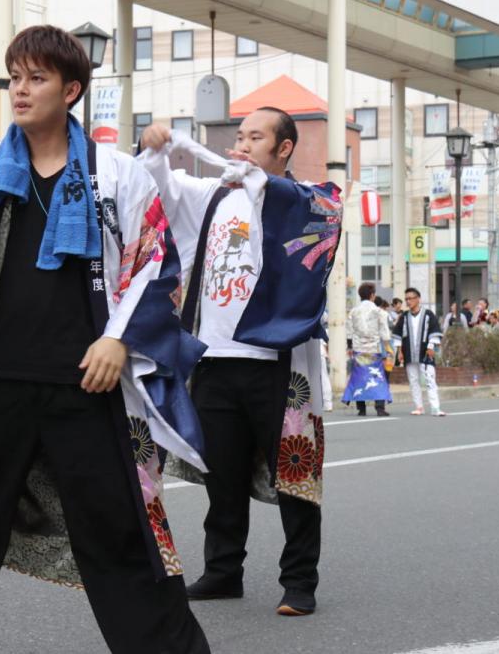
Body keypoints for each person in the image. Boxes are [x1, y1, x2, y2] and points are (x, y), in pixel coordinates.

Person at [0, 29, 211, 653]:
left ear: (72, 91)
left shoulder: (115, 173)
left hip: (88, 383)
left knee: (119, 534)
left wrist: (118, 341)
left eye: (37, 78)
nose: (22, 90)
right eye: (17, 76)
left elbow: (155, 265)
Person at [138, 107, 337, 616]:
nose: (243, 145)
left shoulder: (307, 201)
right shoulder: (214, 197)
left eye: (256, 137)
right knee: (221, 476)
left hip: (279, 361)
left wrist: (260, 183)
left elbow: (314, 211)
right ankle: (224, 570)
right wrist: (158, 149)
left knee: (295, 476)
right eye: (240, 136)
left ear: (284, 148)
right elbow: (164, 187)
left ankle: (299, 582)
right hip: (214, 356)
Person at [393, 287, 446, 417]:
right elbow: (398, 335)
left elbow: (434, 331)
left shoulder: (428, 314)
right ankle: (419, 406)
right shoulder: (404, 316)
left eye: (410, 298)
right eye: (406, 299)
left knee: (430, 379)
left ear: (418, 299)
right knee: (413, 380)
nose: (408, 301)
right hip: (409, 352)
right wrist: (399, 351)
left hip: (425, 352)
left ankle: (435, 407)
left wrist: (431, 347)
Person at [345, 283, 392, 417]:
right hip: (374, 348)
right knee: (377, 377)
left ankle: (361, 408)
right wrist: (387, 346)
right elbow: (384, 332)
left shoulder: (353, 311)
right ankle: (379, 407)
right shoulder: (379, 312)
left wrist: (349, 346)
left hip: (359, 348)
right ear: (372, 295)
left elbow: (349, 331)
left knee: (360, 377)